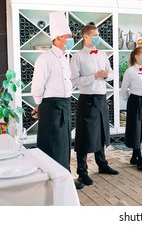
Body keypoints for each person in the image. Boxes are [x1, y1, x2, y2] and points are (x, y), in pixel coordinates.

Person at [31, 11, 84, 190]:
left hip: (64, 104)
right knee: (52, 143)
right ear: (59, 38)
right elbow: (38, 85)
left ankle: (65, 177)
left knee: (64, 143)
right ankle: (51, 180)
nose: (71, 39)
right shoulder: (45, 58)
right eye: (68, 37)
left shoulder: (64, 57)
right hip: (51, 106)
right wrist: (40, 103)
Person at [70, 24, 119, 186]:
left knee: (102, 132)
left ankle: (102, 164)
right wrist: (93, 76)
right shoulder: (77, 57)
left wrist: (106, 76)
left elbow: (111, 74)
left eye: (98, 35)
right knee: (85, 135)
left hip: (101, 97)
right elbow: (74, 81)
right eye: (94, 35)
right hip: (87, 98)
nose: (98, 37)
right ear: (85, 36)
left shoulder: (103, 54)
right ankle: (82, 171)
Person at [120, 47, 142, 171]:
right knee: (135, 129)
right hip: (135, 101)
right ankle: (139, 157)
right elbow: (124, 89)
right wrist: (130, 100)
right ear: (137, 56)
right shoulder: (130, 71)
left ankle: (134, 157)